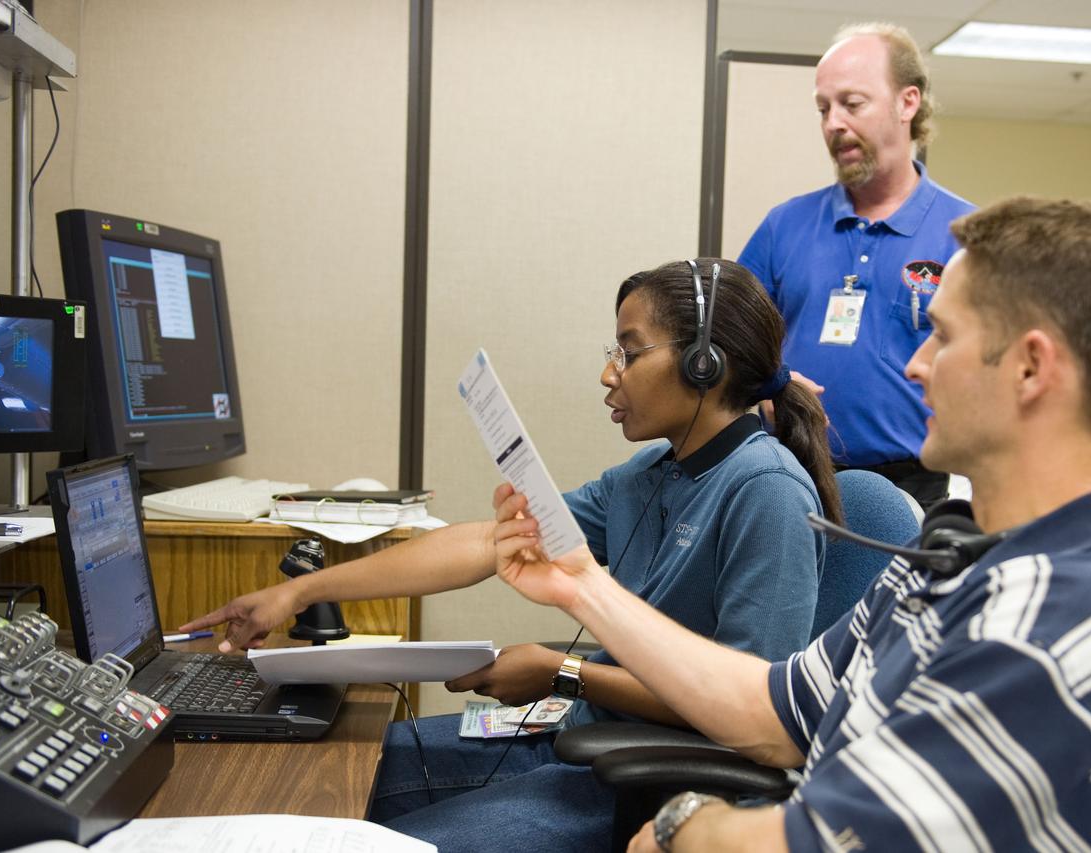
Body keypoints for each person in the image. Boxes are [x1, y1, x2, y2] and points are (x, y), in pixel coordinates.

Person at [495, 198, 1091, 851]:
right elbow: (773, 707)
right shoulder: (957, 557)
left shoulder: (1057, 624)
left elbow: (823, 840)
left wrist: (685, 826)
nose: (917, 365)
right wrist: (584, 588)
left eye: (942, 336)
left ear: (1029, 368)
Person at [182, 258, 844, 851]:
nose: (608, 373)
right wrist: (302, 591)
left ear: (705, 363)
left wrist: (565, 673)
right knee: (328, 769)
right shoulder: (649, 475)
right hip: (574, 741)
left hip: (654, 790)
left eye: (629, 352)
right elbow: (485, 542)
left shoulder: (768, 492)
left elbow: (756, 709)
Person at [738, 22, 975, 508]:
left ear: (907, 102)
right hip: (789, 471)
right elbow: (727, 335)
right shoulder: (785, 225)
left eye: (852, 103)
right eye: (824, 108)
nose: (833, 123)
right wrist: (767, 383)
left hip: (912, 486)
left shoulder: (966, 234)